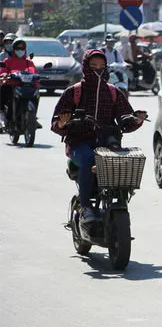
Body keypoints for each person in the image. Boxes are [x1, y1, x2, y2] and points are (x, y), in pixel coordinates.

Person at [50, 50, 147, 227]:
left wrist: (136, 119)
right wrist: (63, 123)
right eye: (93, 66)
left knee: (124, 162)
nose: (98, 70)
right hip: (78, 143)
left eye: (102, 66)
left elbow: (125, 119)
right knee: (89, 158)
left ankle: (118, 202)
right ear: (86, 67)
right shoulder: (74, 92)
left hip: (107, 143)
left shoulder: (113, 92)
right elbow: (55, 123)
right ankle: (86, 207)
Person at [0, 38, 38, 128]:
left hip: (26, 86)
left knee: (36, 95)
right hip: (12, 85)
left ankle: (32, 118)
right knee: (4, 91)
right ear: (14, 49)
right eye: (18, 48)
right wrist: (5, 74)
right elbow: (3, 71)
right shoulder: (8, 61)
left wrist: (37, 78)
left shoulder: (29, 62)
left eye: (22, 48)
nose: (20, 51)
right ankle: (4, 116)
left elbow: (34, 72)